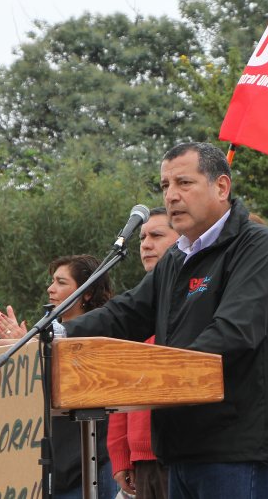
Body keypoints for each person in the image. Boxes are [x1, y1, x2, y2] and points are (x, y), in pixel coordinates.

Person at [63, 142, 268, 499]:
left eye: (184, 183)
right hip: (179, 450)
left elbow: (234, 332)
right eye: (165, 186)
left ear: (221, 187)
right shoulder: (176, 259)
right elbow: (125, 313)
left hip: (236, 450)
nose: (171, 196)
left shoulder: (257, 247)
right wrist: (55, 334)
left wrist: (152, 377)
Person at [0, 255, 118, 498]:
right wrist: (25, 354)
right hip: (52, 467)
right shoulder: (45, 337)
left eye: (61, 282)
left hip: (89, 465)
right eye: (52, 281)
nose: (50, 288)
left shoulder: (102, 334)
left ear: (86, 293)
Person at [107, 207, 179, 498]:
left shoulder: (193, 301)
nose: (146, 244)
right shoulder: (135, 312)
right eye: (142, 238)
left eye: (157, 235)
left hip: (181, 453)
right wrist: (120, 455)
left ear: (182, 240)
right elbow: (121, 389)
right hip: (140, 460)